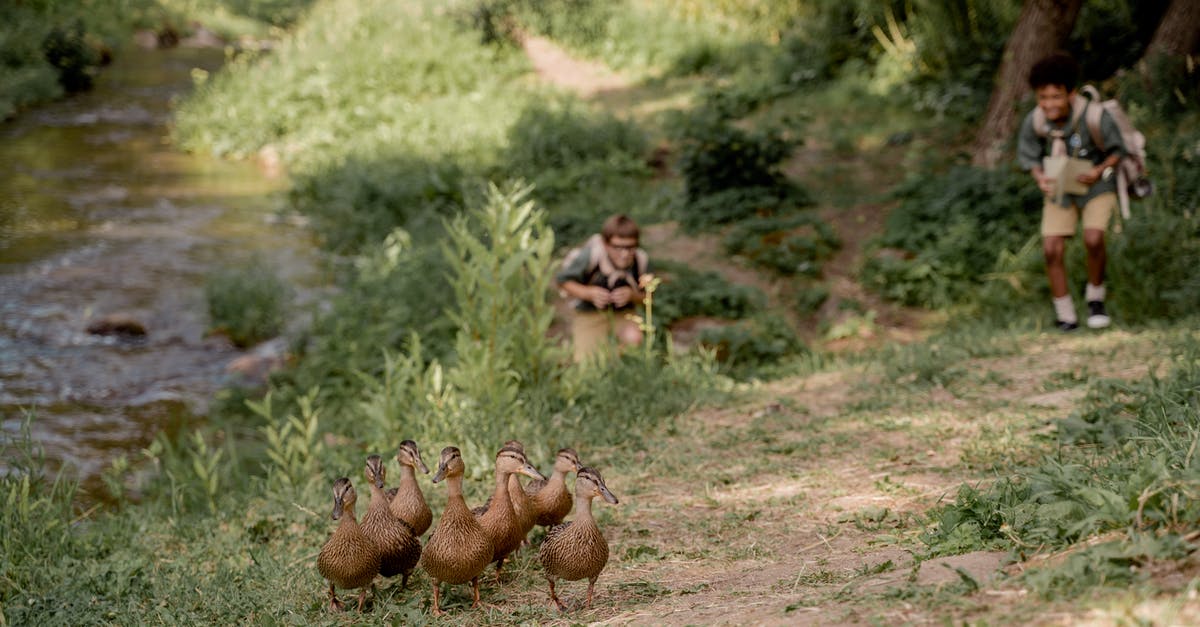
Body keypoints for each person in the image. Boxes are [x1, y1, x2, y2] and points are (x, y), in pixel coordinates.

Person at [1018, 51, 1127, 331]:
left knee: (1093, 239)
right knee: (1051, 248)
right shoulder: (1036, 119)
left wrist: (1098, 170)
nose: (1048, 104)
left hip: (1095, 182)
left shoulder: (1093, 115)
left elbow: (1117, 150)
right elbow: (1029, 155)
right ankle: (1065, 314)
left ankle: (1095, 300)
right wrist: (1040, 178)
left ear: (1071, 93)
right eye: (1042, 98)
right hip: (1059, 184)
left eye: (1055, 96)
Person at [555, 214, 650, 362]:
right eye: (617, 247)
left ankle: (614, 363)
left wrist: (632, 295)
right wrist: (589, 293)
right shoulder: (590, 256)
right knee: (586, 363)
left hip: (624, 313)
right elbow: (563, 281)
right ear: (605, 244)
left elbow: (648, 297)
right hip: (589, 313)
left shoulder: (640, 259)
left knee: (634, 341)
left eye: (630, 247)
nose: (624, 254)